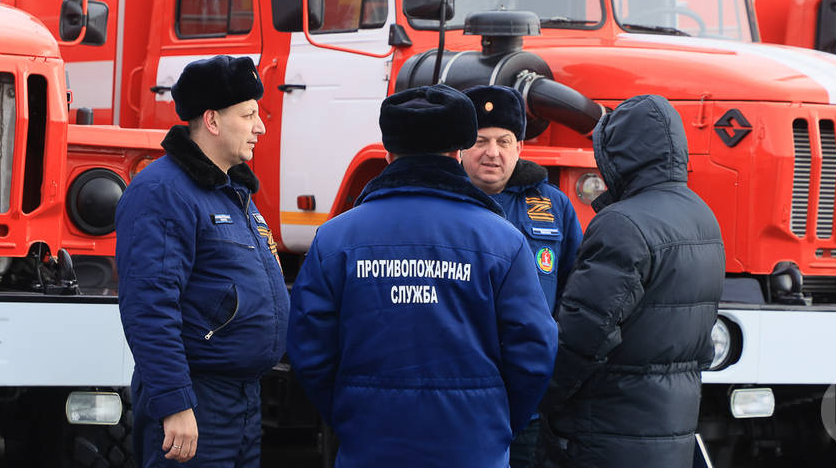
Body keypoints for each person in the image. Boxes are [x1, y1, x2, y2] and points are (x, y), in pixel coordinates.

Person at [286, 84, 558, 468]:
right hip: (474, 448)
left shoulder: (336, 238)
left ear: (387, 153)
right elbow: (534, 352)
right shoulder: (503, 240)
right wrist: (494, 422)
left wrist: (350, 415)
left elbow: (309, 347)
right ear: (458, 153)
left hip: (369, 445)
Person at [115, 55, 290, 467]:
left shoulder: (231, 191)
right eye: (248, 115)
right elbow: (149, 305)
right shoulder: (163, 192)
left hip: (240, 400)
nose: (260, 127)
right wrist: (175, 404)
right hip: (196, 403)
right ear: (212, 121)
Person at [535, 94, 725, 468]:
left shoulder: (623, 224)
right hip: (670, 431)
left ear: (619, 155)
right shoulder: (703, 217)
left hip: (603, 433)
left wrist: (542, 397)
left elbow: (584, 335)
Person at [460, 85, 582, 468]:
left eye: (504, 141)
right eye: (480, 141)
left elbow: (573, 288)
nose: (492, 153)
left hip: (529, 398)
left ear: (520, 148)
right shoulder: (442, 203)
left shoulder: (552, 205)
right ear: (460, 147)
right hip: (460, 394)